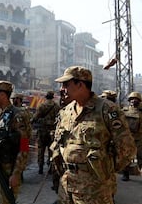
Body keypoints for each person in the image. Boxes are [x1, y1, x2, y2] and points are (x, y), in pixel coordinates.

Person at [51, 66, 136, 203]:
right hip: (67, 186)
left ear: (80, 84)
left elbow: (127, 149)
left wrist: (105, 170)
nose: (62, 89)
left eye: (66, 84)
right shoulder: (66, 112)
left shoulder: (107, 109)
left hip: (94, 190)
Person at [32, 91, 60, 174]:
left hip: (42, 131)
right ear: (53, 97)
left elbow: (35, 117)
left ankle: (40, 167)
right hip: (52, 131)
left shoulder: (42, 106)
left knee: (41, 150)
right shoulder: (56, 106)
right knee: (51, 150)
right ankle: (50, 168)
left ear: (46, 97)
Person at [121, 91, 142, 181]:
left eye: (136, 99)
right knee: (126, 157)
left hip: (139, 138)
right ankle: (125, 174)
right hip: (128, 137)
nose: (134, 101)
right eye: (132, 99)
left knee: (141, 157)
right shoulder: (124, 111)